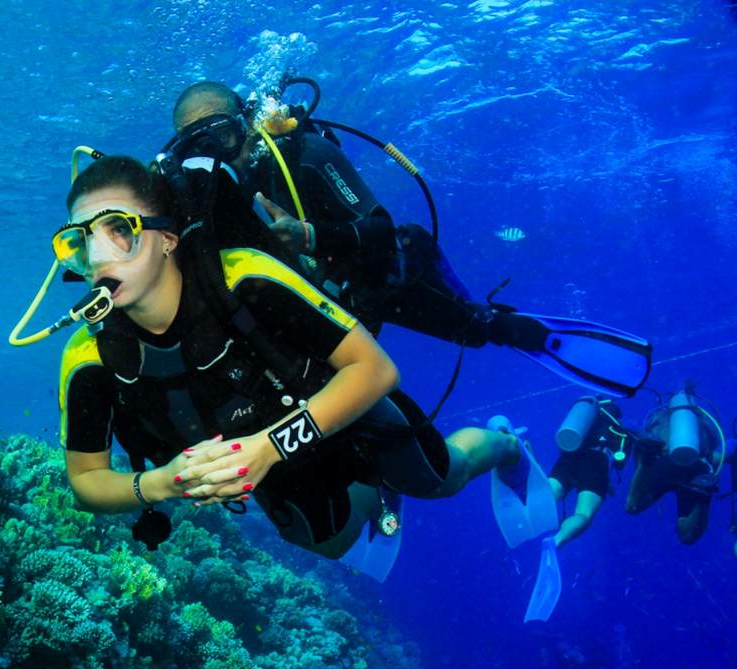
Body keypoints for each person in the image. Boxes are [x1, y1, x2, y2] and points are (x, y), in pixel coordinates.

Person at [55, 154, 532, 559]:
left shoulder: (245, 277)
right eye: (79, 241)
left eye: (119, 229)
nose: (98, 257)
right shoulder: (89, 357)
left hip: (342, 410)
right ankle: (379, 490)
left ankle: (507, 445)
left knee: (441, 477)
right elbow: (86, 478)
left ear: (168, 239)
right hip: (264, 459)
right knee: (330, 545)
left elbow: (376, 369)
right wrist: (161, 483)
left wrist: (269, 446)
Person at [163, 81, 652, 399]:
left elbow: (378, 227)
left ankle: (534, 334)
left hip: (395, 272)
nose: (216, 155)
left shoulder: (307, 155)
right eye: (197, 146)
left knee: (477, 331)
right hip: (347, 300)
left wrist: (307, 236)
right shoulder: (219, 198)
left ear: (247, 122)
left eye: (222, 136)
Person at [624, 386, 726, 545]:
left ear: (667, 405)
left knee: (633, 507)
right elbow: (717, 448)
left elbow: (632, 427)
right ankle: (702, 494)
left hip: (662, 464)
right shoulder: (703, 420)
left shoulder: (659, 415)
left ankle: (645, 462)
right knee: (688, 537)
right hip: (695, 470)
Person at [547, 395, 632, 548]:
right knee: (583, 514)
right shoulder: (620, 429)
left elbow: (564, 441)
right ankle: (557, 540)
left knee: (545, 498)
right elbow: (620, 463)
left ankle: (524, 509)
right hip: (596, 462)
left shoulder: (582, 420)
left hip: (569, 458)